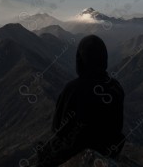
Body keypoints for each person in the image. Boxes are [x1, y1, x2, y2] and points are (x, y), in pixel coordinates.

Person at [36, 35, 125, 167]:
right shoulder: (115, 87)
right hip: (110, 150)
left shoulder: (73, 90)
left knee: (43, 152)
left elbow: (57, 129)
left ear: (81, 60)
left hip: (75, 152)